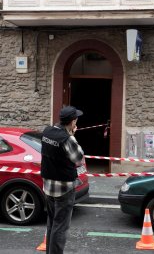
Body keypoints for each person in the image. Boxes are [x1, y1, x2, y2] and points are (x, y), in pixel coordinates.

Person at [41, 105, 84, 254]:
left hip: (48, 186)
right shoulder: (67, 139)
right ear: (72, 122)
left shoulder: (47, 131)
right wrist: (73, 135)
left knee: (52, 223)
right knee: (60, 228)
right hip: (64, 189)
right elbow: (79, 158)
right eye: (75, 120)